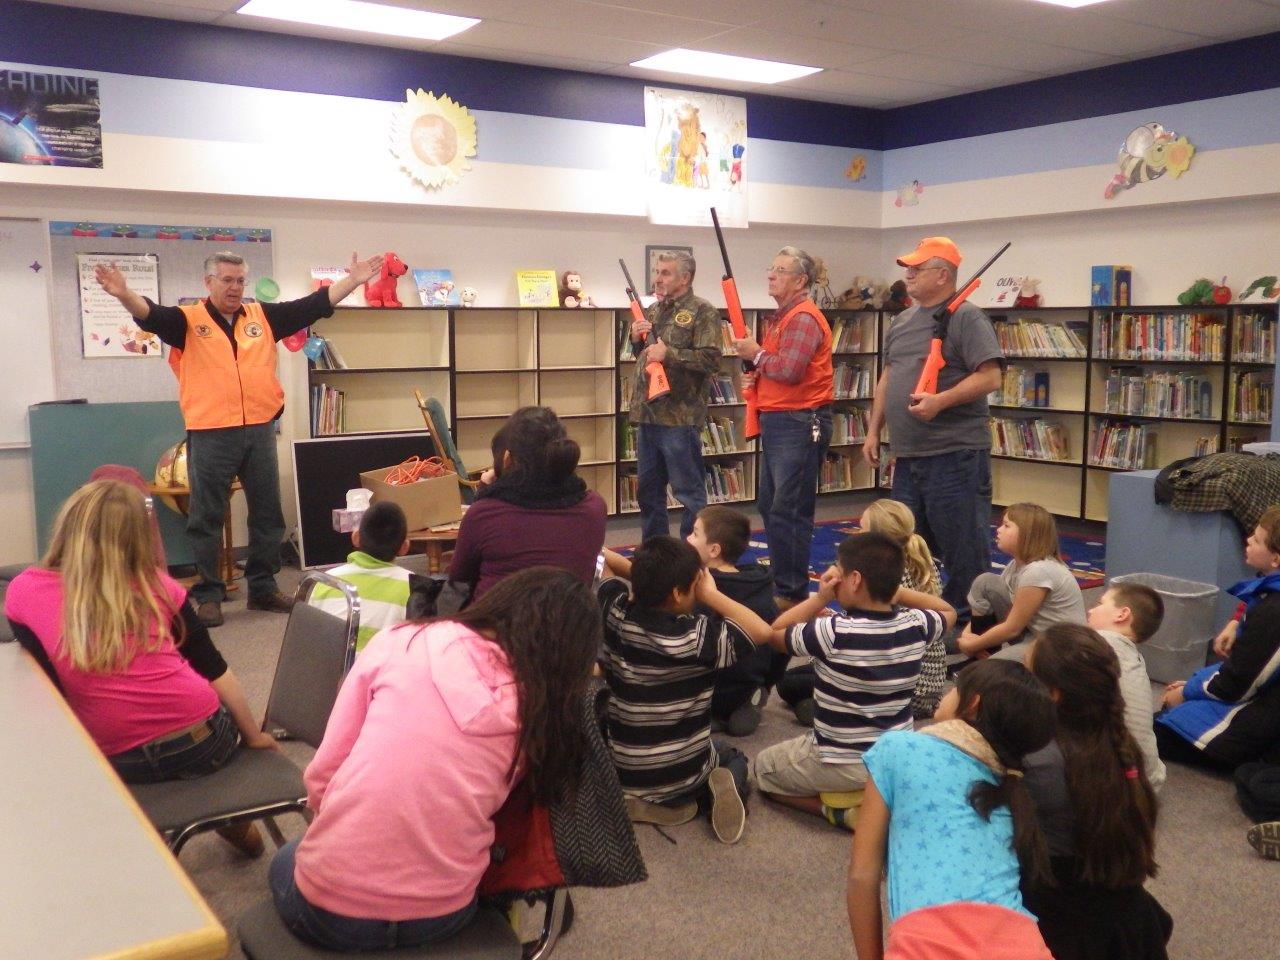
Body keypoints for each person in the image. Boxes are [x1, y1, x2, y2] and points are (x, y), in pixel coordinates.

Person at [269, 567, 600, 952]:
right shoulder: (540, 711)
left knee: (286, 859)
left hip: (331, 912)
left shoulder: (406, 640)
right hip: (445, 910)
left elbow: (326, 768)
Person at [94, 250, 385, 628]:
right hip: (211, 431)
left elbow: (313, 305)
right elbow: (149, 313)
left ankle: (262, 589)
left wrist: (353, 281)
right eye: (227, 280)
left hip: (260, 430)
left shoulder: (263, 317)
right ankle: (210, 595)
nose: (234, 288)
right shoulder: (187, 321)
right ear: (209, 282)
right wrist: (122, 294)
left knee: (268, 515)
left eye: (239, 281)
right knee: (207, 517)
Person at [3, 479, 276, 856]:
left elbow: (50, 689)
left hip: (114, 759)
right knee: (202, 705)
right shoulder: (158, 586)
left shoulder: (23, 592)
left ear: (67, 527)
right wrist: (254, 735)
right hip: (200, 742)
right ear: (137, 538)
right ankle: (229, 819)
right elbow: (214, 670)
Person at [847, 660, 1056, 960]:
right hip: (1021, 943)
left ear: (972, 705)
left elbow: (861, 877)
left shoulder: (898, 748)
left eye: (955, 688)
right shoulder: (1012, 787)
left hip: (927, 946)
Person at [756, 532, 955, 828]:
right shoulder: (918, 624)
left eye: (839, 571)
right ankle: (876, 796)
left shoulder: (832, 630)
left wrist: (820, 597)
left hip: (845, 760)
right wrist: (894, 593)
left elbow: (773, 633)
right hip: (895, 755)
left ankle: (837, 812)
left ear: (855, 580)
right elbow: (947, 610)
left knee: (763, 769)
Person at [597, 536, 773, 844]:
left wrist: (642, 574)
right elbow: (761, 630)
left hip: (624, 770)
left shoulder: (615, 616)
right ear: (680, 593)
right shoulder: (699, 638)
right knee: (733, 757)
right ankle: (718, 787)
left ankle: (644, 800)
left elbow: (606, 567)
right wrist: (712, 595)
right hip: (683, 774)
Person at [865, 237, 1003, 619]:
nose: (907, 275)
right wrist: (874, 430)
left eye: (916, 268)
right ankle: (920, 613)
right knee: (907, 544)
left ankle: (968, 621)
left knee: (963, 547)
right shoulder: (904, 320)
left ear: (943, 275)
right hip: (908, 455)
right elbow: (888, 376)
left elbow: (991, 377)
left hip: (954, 453)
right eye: (907, 268)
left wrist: (940, 401)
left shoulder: (967, 317)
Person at [1023, 624, 1172, 960]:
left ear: (1054, 693)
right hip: (1118, 908)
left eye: (1028, 675)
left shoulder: (1035, 762)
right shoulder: (1121, 746)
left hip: (1059, 918)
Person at [777, 498, 946, 724]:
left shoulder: (877, 575)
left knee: (789, 682)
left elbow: (865, 631)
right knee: (807, 670)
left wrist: (821, 603)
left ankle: (829, 707)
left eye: (861, 528)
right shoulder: (921, 561)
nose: (855, 533)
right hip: (923, 680)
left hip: (897, 686)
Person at [733, 246, 834, 607]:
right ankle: (782, 582)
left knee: (788, 510)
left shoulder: (803, 319)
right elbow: (779, 366)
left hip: (799, 421)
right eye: (771, 268)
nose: (771, 275)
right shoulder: (782, 317)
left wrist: (755, 354)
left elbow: (790, 371)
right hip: (781, 420)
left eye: (780, 270)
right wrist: (758, 370)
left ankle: (790, 593)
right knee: (772, 505)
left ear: (800, 280)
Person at [1156, 505, 1280, 770]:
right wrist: (1195, 683)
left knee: (1157, 731)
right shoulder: (1269, 595)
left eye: (1256, 540)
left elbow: (1237, 685)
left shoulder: (1273, 612)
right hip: (1259, 693)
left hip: (1264, 713)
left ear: (1275, 560)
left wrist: (1187, 691)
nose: (1247, 540)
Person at [448, 406, 607, 603]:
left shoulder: (483, 515)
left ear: (507, 459)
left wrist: (485, 492)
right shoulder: (594, 508)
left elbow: (458, 582)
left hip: (497, 630)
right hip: (569, 628)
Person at [627, 251, 722, 541]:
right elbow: (644, 357)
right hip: (648, 415)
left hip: (679, 417)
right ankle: (655, 553)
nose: (657, 278)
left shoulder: (703, 310)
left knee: (689, 494)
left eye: (665, 273)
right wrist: (634, 339)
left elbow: (711, 360)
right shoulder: (653, 310)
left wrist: (671, 354)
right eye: (656, 272)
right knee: (648, 493)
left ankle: (690, 552)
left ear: (685, 277)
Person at [685, 504, 785, 737]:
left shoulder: (700, 590)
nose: (688, 539)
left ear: (714, 550)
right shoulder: (759, 583)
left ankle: (718, 711)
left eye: (695, 534)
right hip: (751, 679)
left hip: (709, 687)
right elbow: (778, 643)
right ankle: (750, 699)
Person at [958, 502, 1086, 660]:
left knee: (994, 669)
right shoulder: (1016, 564)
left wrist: (972, 645)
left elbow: (1012, 628)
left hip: (1058, 649)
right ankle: (979, 658)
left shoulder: (1039, 571)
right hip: (1034, 634)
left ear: (1027, 534)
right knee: (985, 582)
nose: (998, 530)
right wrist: (968, 635)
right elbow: (1000, 610)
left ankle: (984, 661)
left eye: (1006, 526)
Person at [1085, 582, 1168, 790]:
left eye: (1099, 603)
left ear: (1122, 614)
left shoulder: (1095, 646)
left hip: (1113, 786)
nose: (1090, 609)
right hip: (1148, 781)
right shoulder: (1134, 657)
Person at [309, 501, 412, 653]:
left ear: (356, 538)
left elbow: (310, 636)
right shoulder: (412, 585)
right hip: (382, 673)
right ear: (404, 547)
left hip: (330, 672)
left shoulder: (326, 581)